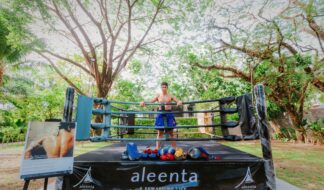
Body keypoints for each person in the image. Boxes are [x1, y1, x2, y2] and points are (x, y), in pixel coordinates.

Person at [140, 82, 182, 149]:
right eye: (162, 87)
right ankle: (157, 149)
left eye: (165, 87)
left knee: (171, 133)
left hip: (169, 114)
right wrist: (144, 102)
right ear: (161, 88)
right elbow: (151, 101)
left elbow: (178, 101)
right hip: (160, 114)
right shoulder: (158, 95)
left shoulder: (170, 95)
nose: (164, 88)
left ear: (167, 88)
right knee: (160, 133)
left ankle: (175, 148)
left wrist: (179, 102)